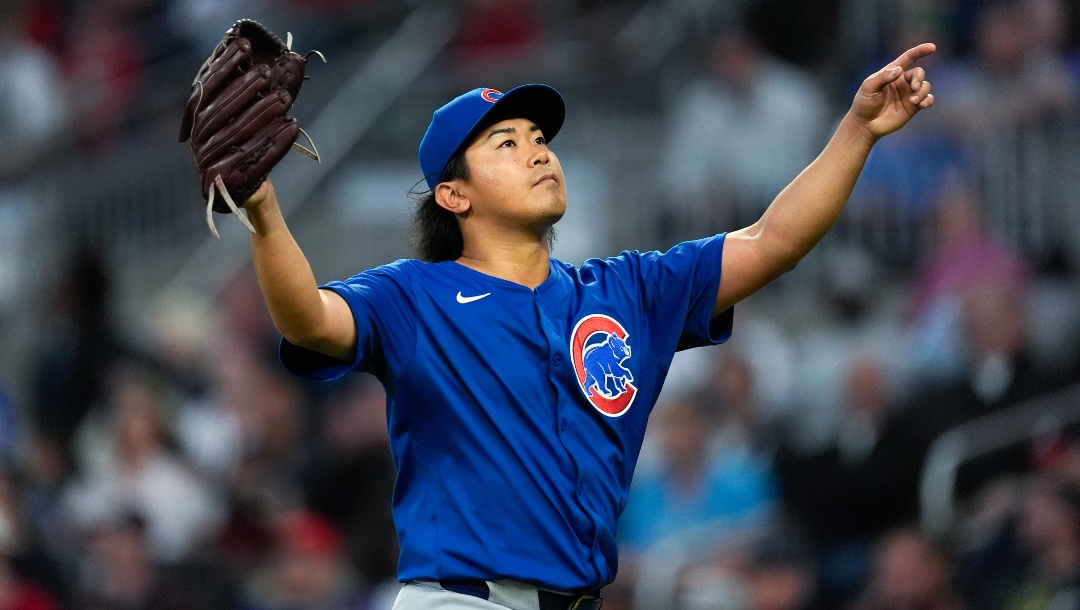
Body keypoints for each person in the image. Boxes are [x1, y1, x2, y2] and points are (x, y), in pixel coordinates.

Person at [235, 42, 936, 610]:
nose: (538, 150)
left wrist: (857, 132)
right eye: (505, 143)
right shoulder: (413, 295)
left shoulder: (629, 290)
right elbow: (312, 319)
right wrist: (266, 218)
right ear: (454, 195)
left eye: (539, 137)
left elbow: (771, 242)